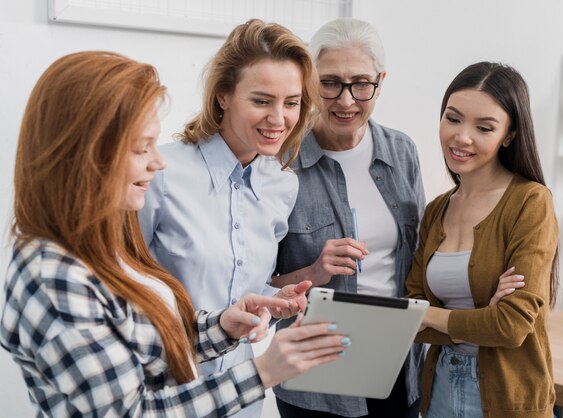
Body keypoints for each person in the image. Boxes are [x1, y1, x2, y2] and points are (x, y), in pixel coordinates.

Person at [0, 50, 349, 417]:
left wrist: (221, 327)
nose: (158, 161)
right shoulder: (54, 278)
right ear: (85, 154)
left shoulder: (94, 253)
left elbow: (141, 346)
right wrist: (264, 372)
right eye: (140, 148)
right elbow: (133, 412)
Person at [138, 19, 320, 417]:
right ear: (223, 96)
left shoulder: (282, 186)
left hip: (241, 400)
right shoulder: (161, 174)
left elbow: (248, 290)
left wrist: (275, 302)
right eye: (261, 101)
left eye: (291, 102)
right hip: (163, 399)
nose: (279, 119)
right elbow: (127, 293)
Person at [270, 18, 425, 418]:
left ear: (380, 80)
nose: (345, 100)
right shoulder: (281, 162)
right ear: (310, 81)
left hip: (396, 366)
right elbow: (258, 287)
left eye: (360, 83)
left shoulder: (401, 152)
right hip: (315, 378)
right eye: (330, 82)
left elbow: (421, 258)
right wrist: (314, 271)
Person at [405, 62, 560, 418]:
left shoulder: (530, 202)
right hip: (441, 386)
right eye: (453, 118)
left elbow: (511, 326)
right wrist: (483, 317)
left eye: (484, 127)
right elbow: (410, 322)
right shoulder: (436, 210)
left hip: (511, 397)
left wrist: (434, 315)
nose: (462, 137)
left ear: (508, 134)